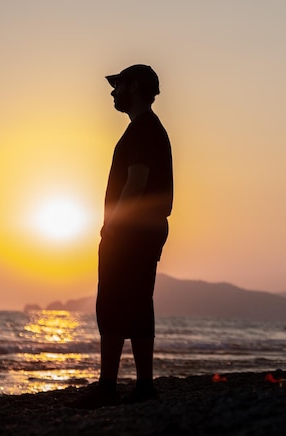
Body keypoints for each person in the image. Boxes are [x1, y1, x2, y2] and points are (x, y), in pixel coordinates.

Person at [67, 64, 173, 409]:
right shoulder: (150, 130)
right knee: (140, 303)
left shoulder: (142, 131)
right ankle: (144, 386)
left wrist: (112, 224)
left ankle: (107, 387)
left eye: (119, 86)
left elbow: (137, 181)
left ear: (136, 88)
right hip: (150, 227)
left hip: (131, 230)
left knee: (112, 301)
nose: (113, 92)